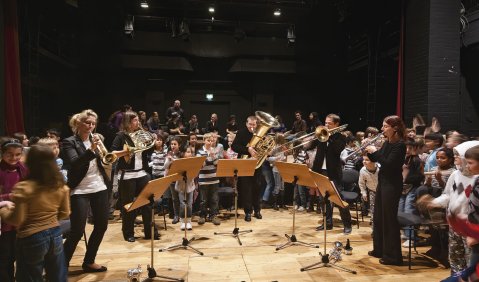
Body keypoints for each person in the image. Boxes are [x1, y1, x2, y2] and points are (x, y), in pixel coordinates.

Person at [0, 144, 70, 281]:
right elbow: (65, 213)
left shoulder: (24, 188)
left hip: (31, 237)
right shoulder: (60, 185)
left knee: (29, 277)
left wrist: (3, 210)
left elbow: (17, 220)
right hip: (55, 234)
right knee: (58, 277)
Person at [62, 109, 111, 272]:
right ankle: (61, 264)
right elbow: (75, 163)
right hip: (79, 189)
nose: (91, 126)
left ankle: (89, 261)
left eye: (93, 123)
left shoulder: (95, 140)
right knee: (77, 230)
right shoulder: (69, 142)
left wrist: (106, 156)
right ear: (78, 123)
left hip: (99, 185)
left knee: (101, 226)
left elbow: (104, 159)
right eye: (87, 123)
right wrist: (91, 150)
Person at [111, 111, 159, 243]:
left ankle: (150, 232)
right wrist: (127, 151)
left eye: (138, 120)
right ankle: (128, 233)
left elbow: (148, 151)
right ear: (127, 122)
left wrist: (154, 144)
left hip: (142, 173)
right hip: (127, 175)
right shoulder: (121, 136)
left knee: (148, 202)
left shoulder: (141, 135)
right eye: (135, 120)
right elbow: (113, 153)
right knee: (129, 206)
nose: (138, 122)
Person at [365, 115, 407, 266]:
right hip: (383, 182)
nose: (382, 129)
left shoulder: (400, 145)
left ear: (395, 128)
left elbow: (389, 164)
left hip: (392, 184)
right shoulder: (388, 143)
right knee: (378, 217)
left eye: (385, 126)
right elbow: (378, 159)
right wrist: (369, 151)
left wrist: (375, 152)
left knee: (389, 219)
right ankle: (380, 249)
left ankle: (393, 257)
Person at [312, 113, 352, 235]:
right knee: (323, 199)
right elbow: (316, 152)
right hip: (321, 171)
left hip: (333, 172)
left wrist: (328, 137)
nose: (326, 125)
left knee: (338, 199)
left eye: (329, 123)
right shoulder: (321, 135)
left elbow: (336, 150)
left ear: (336, 124)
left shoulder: (341, 137)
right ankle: (327, 223)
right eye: (325, 123)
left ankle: (347, 224)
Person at [0, 139, 27, 281]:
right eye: (9, 154)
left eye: (17, 154)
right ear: (2, 154)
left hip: (21, 218)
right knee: (6, 256)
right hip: (4, 220)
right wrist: (7, 198)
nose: (14, 158)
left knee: (21, 255)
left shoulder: (23, 168)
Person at [231, 115, 263, 221]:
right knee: (246, 189)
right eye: (250, 124)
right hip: (244, 164)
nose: (252, 126)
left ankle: (257, 210)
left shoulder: (260, 133)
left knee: (257, 188)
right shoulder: (241, 133)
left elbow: (264, 148)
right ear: (246, 123)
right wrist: (247, 149)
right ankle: (248, 212)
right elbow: (234, 146)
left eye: (254, 124)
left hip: (257, 165)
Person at [196, 133, 221, 225]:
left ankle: (213, 216)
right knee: (203, 200)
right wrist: (207, 157)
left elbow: (217, 164)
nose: (210, 142)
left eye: (211, 140)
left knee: (214, 199)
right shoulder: (199, 152)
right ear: (204, 141)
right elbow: (200, 166)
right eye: (208, 140)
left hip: (214, 178)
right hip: (203, 180)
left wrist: (213, 156)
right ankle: (202, 216)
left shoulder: (214, 151)